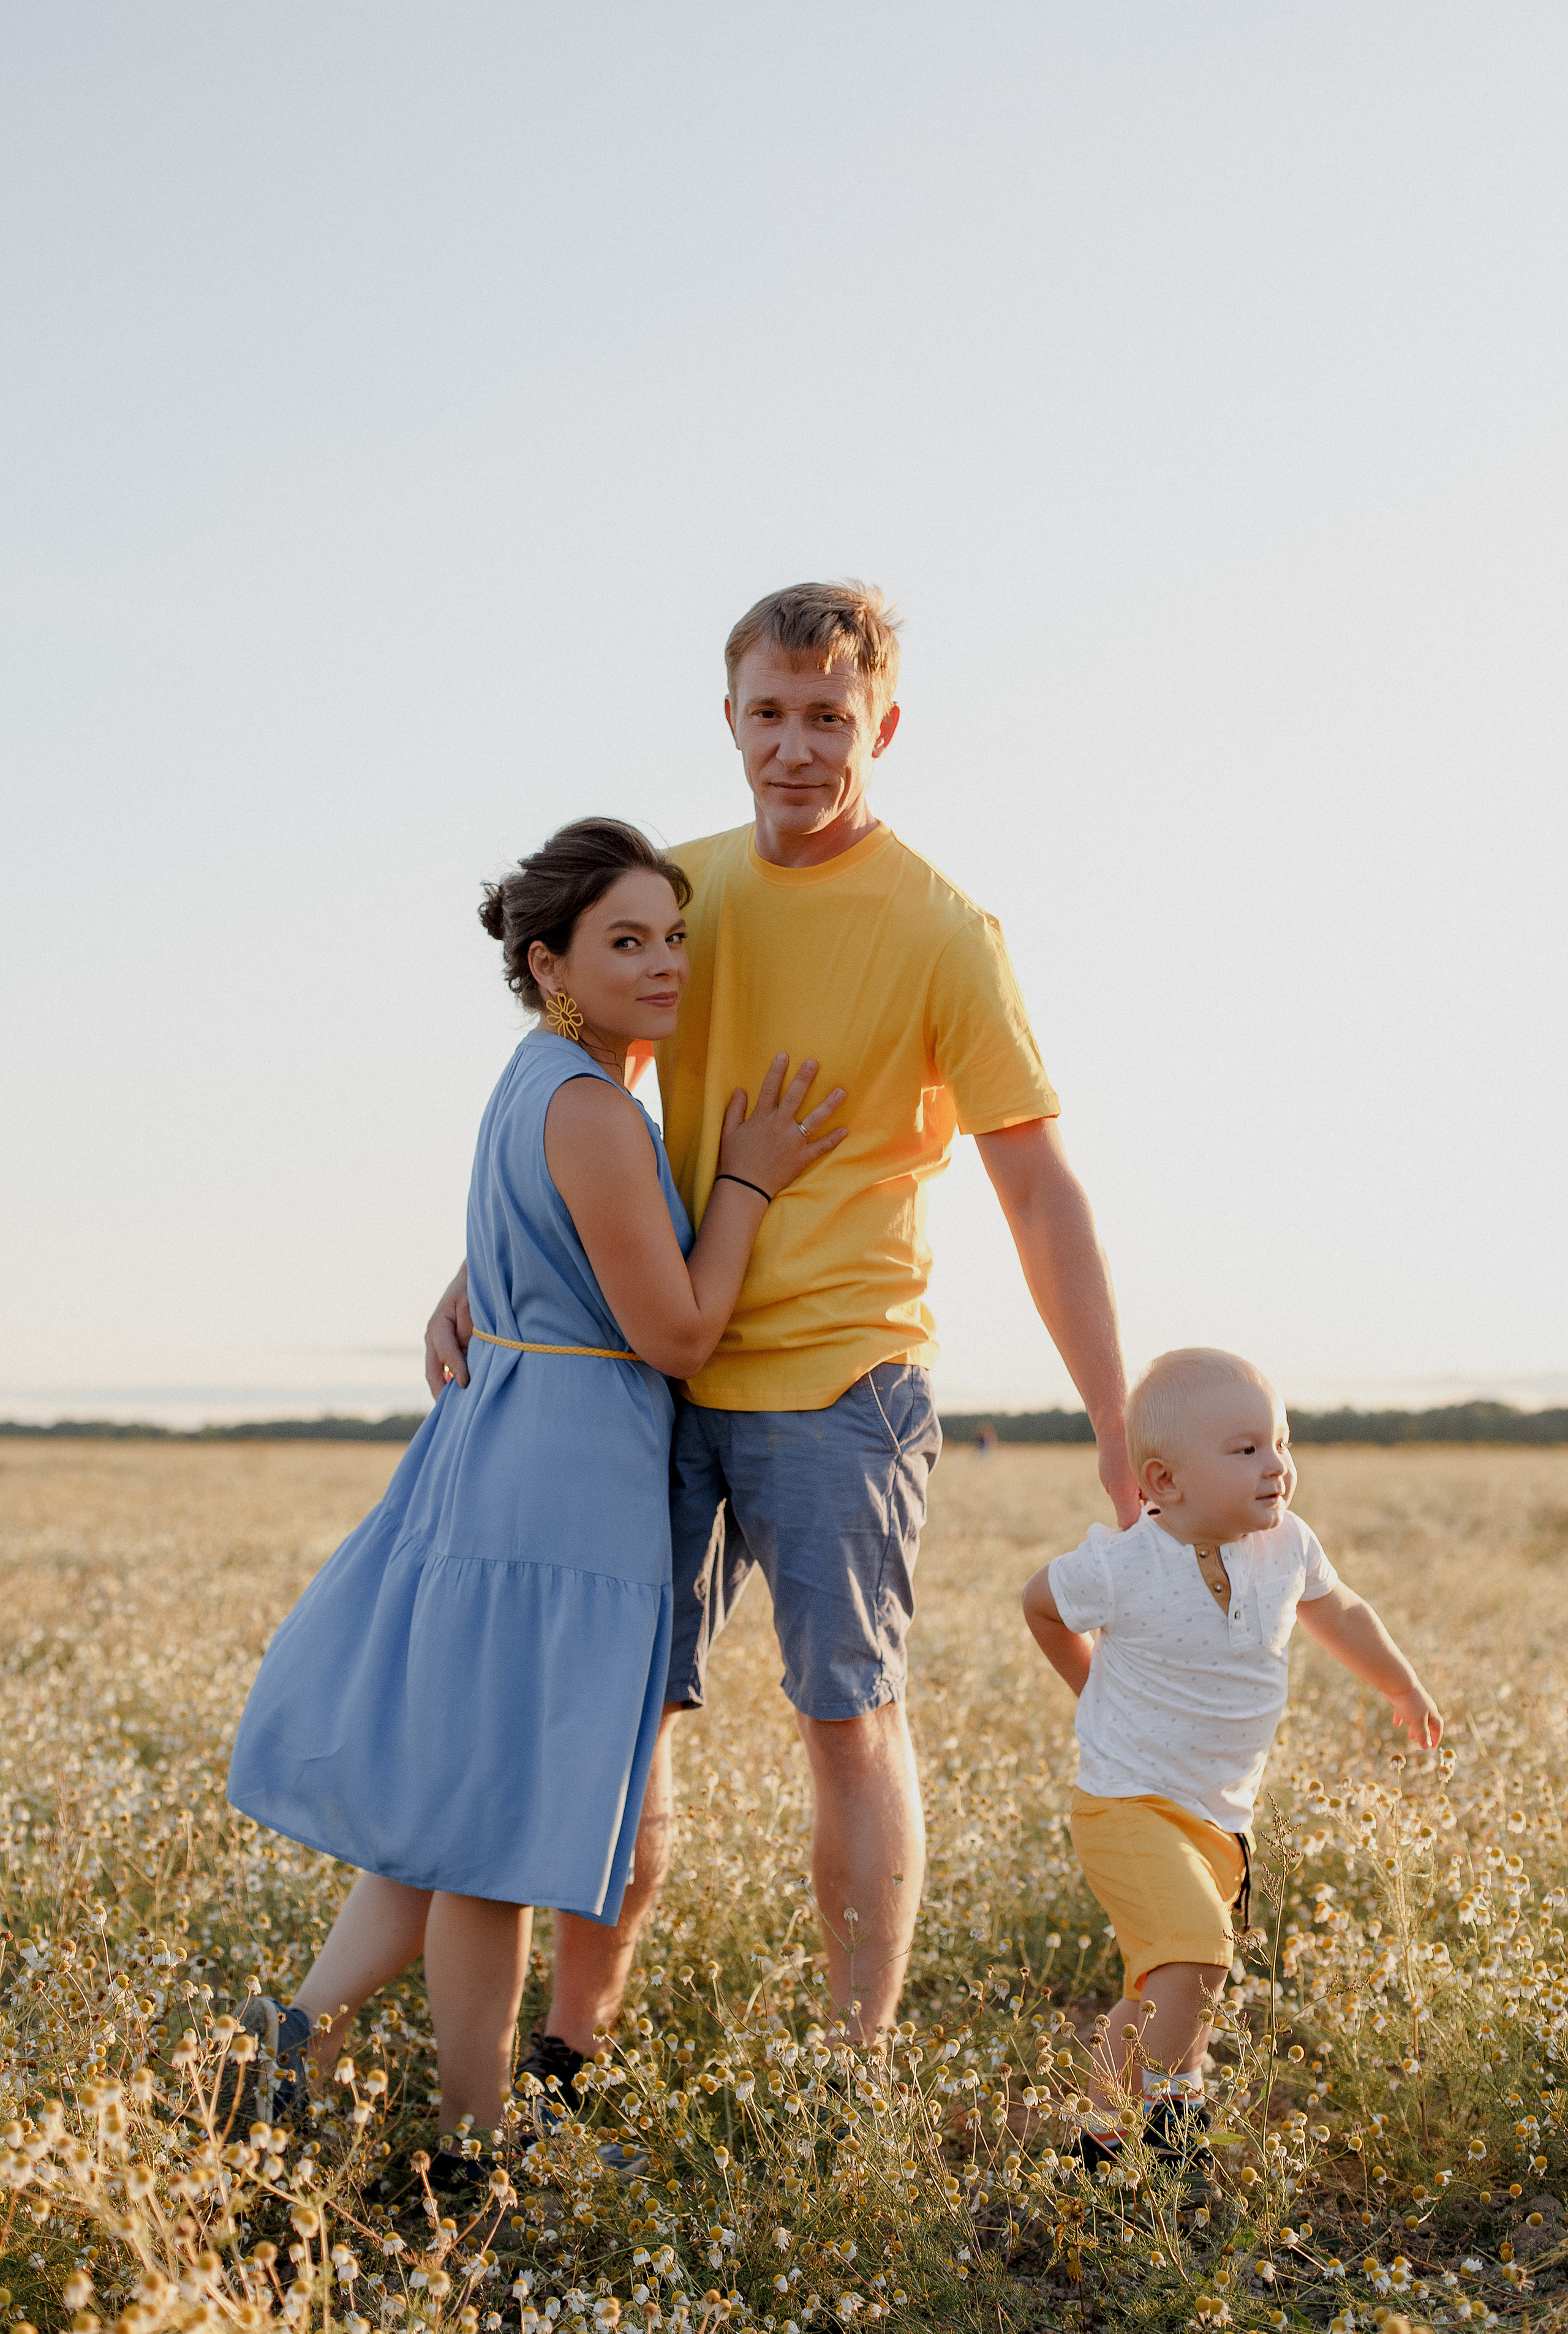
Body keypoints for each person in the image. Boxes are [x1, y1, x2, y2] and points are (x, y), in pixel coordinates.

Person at [426, 579, 1138, 2087]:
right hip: (648, 1381)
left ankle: (849, 2067)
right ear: (730, 720)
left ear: (880, 724)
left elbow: (1036, 1188)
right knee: (627, 1724)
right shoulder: (674, 893)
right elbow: (577, 1099)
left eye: (828, 716)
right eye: (769, 713)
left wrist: (1113, 1414)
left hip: (843, 1384)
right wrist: (482, 1269)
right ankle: (564, 2056)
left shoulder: (946, 930)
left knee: (845, 1721)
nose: (796, 747)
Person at [226, 818, 845, 2157]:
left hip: (501, 1454)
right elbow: (677, 1333)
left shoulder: (532, 1082)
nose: (666, 964)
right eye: (627, 942)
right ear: (551, 963)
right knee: (499, 1846)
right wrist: (742, 1182)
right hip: (559, 1486)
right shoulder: (594, 1108)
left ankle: (296, 2042)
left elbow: (533, 1248)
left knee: (448, 1819)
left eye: (675, 937)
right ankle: (472, 2140)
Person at [1022, 1346, 1442, 2169]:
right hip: (1127, 1802)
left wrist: (1401, 1685)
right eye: (1246, 1450)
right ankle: (1175, 2129)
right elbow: (1040, 1604)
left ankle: (1100, 2136)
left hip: (1221, 1816)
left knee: (1165, 1985)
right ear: (1165, 1481)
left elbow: (1345, 1614)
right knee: (1200, 1957)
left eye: (1280, 1442)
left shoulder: (1286, 1545)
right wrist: (1092, 1688)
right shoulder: (1124, 1563)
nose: (1277, 1466)